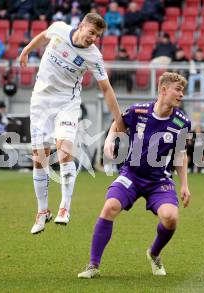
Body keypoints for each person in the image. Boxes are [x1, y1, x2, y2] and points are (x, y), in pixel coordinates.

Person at [78, 72, 191, 279]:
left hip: (159, 181)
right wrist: (109, 140)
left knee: (170, 218)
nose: (181, 94)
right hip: (131, 174)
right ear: (163, 90)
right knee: (110, 206)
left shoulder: (182, 122)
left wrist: (184, 185)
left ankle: (154, 253)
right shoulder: (139, 111)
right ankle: (93, 265)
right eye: (178, 89)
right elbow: (117, 123)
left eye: (182, 90)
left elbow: (180, 155)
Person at [19, 13, 125, 234]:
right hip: (40, 101)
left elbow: (106, 89)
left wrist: (118, 120)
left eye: (98, 35)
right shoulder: (58, 28)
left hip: (67, 103)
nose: (94, 38)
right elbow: (44, 35)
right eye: (92, 32)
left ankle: (64, 208)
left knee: (64, 150)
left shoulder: (94, 56)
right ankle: (42, 211)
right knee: (39, 158)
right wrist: (27, 50)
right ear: (81, 26)